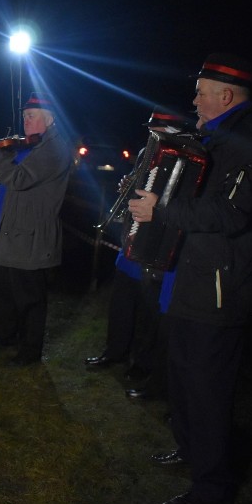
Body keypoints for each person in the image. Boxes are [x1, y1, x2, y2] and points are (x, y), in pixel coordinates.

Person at [129, 53, 252, 504]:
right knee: (183, 377)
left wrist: (163, 211)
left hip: (218, 290)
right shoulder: (216, 139)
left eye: (200, 92)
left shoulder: (245, 142)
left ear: (226, 96)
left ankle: (211, 488)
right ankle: (190, 451)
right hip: (191, 279)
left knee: (208, 390)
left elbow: (232, 214)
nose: (193, 100)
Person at [85, 107, 197, 401]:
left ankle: (142, 364)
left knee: (149, 314)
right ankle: (114, 351)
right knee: (121, 304)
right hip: (132, 243)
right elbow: (140, 188)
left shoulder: (182, 159)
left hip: (155, 248)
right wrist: (129, 185)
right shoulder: (148, 153)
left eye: (156, 131)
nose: (152, 136)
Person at [0, 92, 71, 366]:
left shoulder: (53, 149)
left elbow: (19, 178)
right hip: (15, 232)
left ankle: (30, 351)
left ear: (49, 120)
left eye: (31, 117)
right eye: (24, 117)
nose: (25, 122)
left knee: (30, 297)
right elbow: (19, 186)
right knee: (5, 292)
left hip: (32, 236)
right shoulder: (37, 147)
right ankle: (5, 337)